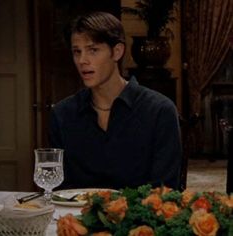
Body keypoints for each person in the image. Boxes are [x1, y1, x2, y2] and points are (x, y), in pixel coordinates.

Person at [49, 11, 182, 190]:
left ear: (117, 52)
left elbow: (166, 189)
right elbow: (59, 190)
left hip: (139, 216)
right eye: (77, 52)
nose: (82, 60)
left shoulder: (159, 111)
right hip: (73, 217)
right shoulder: (62, 114)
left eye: (93, 50)